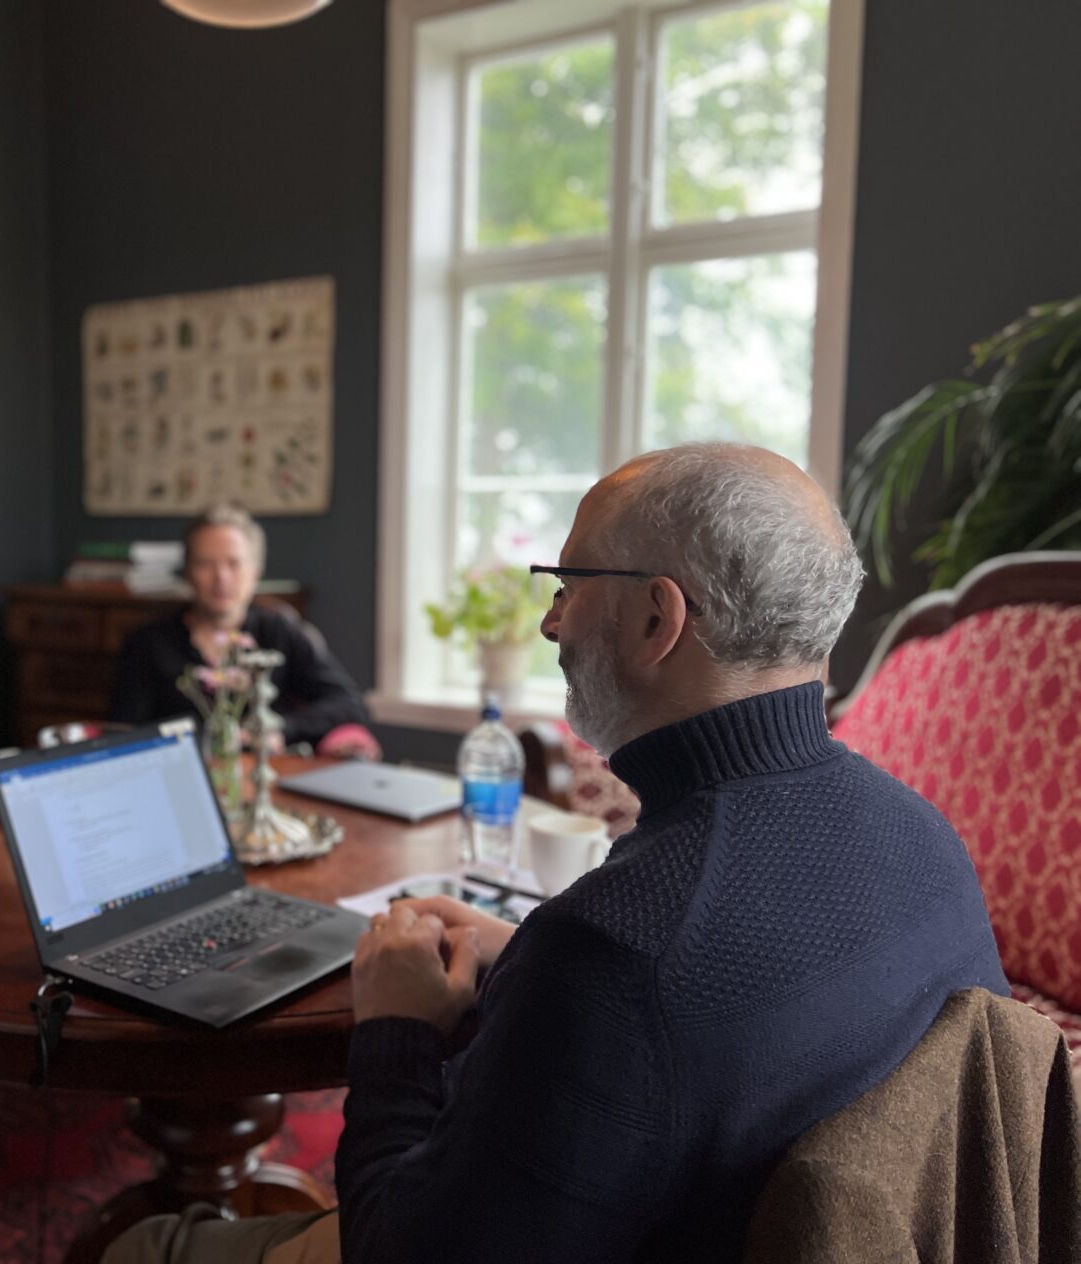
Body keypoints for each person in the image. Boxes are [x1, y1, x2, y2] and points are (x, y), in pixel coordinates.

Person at [99, 444, 1009, 1263]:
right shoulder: (925, 841)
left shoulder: (617, 951)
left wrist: (394, 1033)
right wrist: (532, 956)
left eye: (567, 586)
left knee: (146, 1244)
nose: (549, 623)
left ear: (658, 619)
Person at [107, 504, 378, 759]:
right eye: (205, 563)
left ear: (255, 572)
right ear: (188, 571)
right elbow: (125, 733)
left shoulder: (278, 632)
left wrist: (279, 729)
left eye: (234, 563)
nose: (221, 578)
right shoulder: (148, 643)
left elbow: (349, 702)